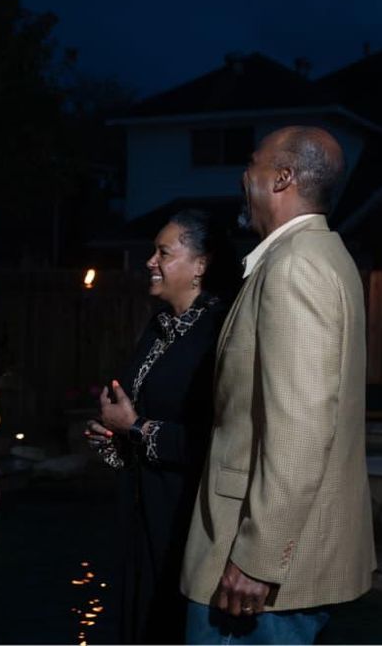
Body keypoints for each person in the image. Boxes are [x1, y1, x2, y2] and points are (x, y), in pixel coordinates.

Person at [181, 126, 376, 645]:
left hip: (257, 570)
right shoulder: (325, 255)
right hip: (278, 560)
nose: (244, 177)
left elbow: (302, 429)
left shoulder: (295, 268)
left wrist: (257, 558)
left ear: (282, 177)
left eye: (253, 164)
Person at [85, 210, 230, 644]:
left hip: (181, 518)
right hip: (140, 507)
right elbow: (135, 411)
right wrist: (112, 433)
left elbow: (217, 440)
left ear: (200, 265)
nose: (150, 261)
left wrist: (134, 427)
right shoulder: (159, 326)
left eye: (163, 252)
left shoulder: (217, 334)